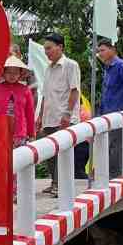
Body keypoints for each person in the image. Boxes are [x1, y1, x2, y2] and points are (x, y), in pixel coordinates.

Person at [36, 33, 81, 195]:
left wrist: (67, 114)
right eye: (45, 49)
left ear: (60, 47)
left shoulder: (71, 65)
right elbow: (45, 95)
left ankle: (60, 186)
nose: (46, 52)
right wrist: (40, 116)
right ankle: (54, 182)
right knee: (50, 153)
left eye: (49, 48)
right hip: (49, 117)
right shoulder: (48, 68)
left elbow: (74, 91)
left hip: (64, 117)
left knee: (63, 153)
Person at [96, 38, 123, 177]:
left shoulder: (121, 65)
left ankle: (115, 177)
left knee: (116, 146)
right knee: (109, 146)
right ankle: (109, 176)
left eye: (103, 50)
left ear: (113, 50)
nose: (100, 53)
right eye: (99, 51)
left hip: (120, 113)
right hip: (108, 114)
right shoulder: (108, 68)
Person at [0, 55, 36, 147]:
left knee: (19, 156)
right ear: (3, 73)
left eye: (15, 72)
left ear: (20, 74)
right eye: (9, 72)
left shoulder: (25, 90)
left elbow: (30, 114)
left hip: (19, 134)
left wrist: (32, 134)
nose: (12, 75)